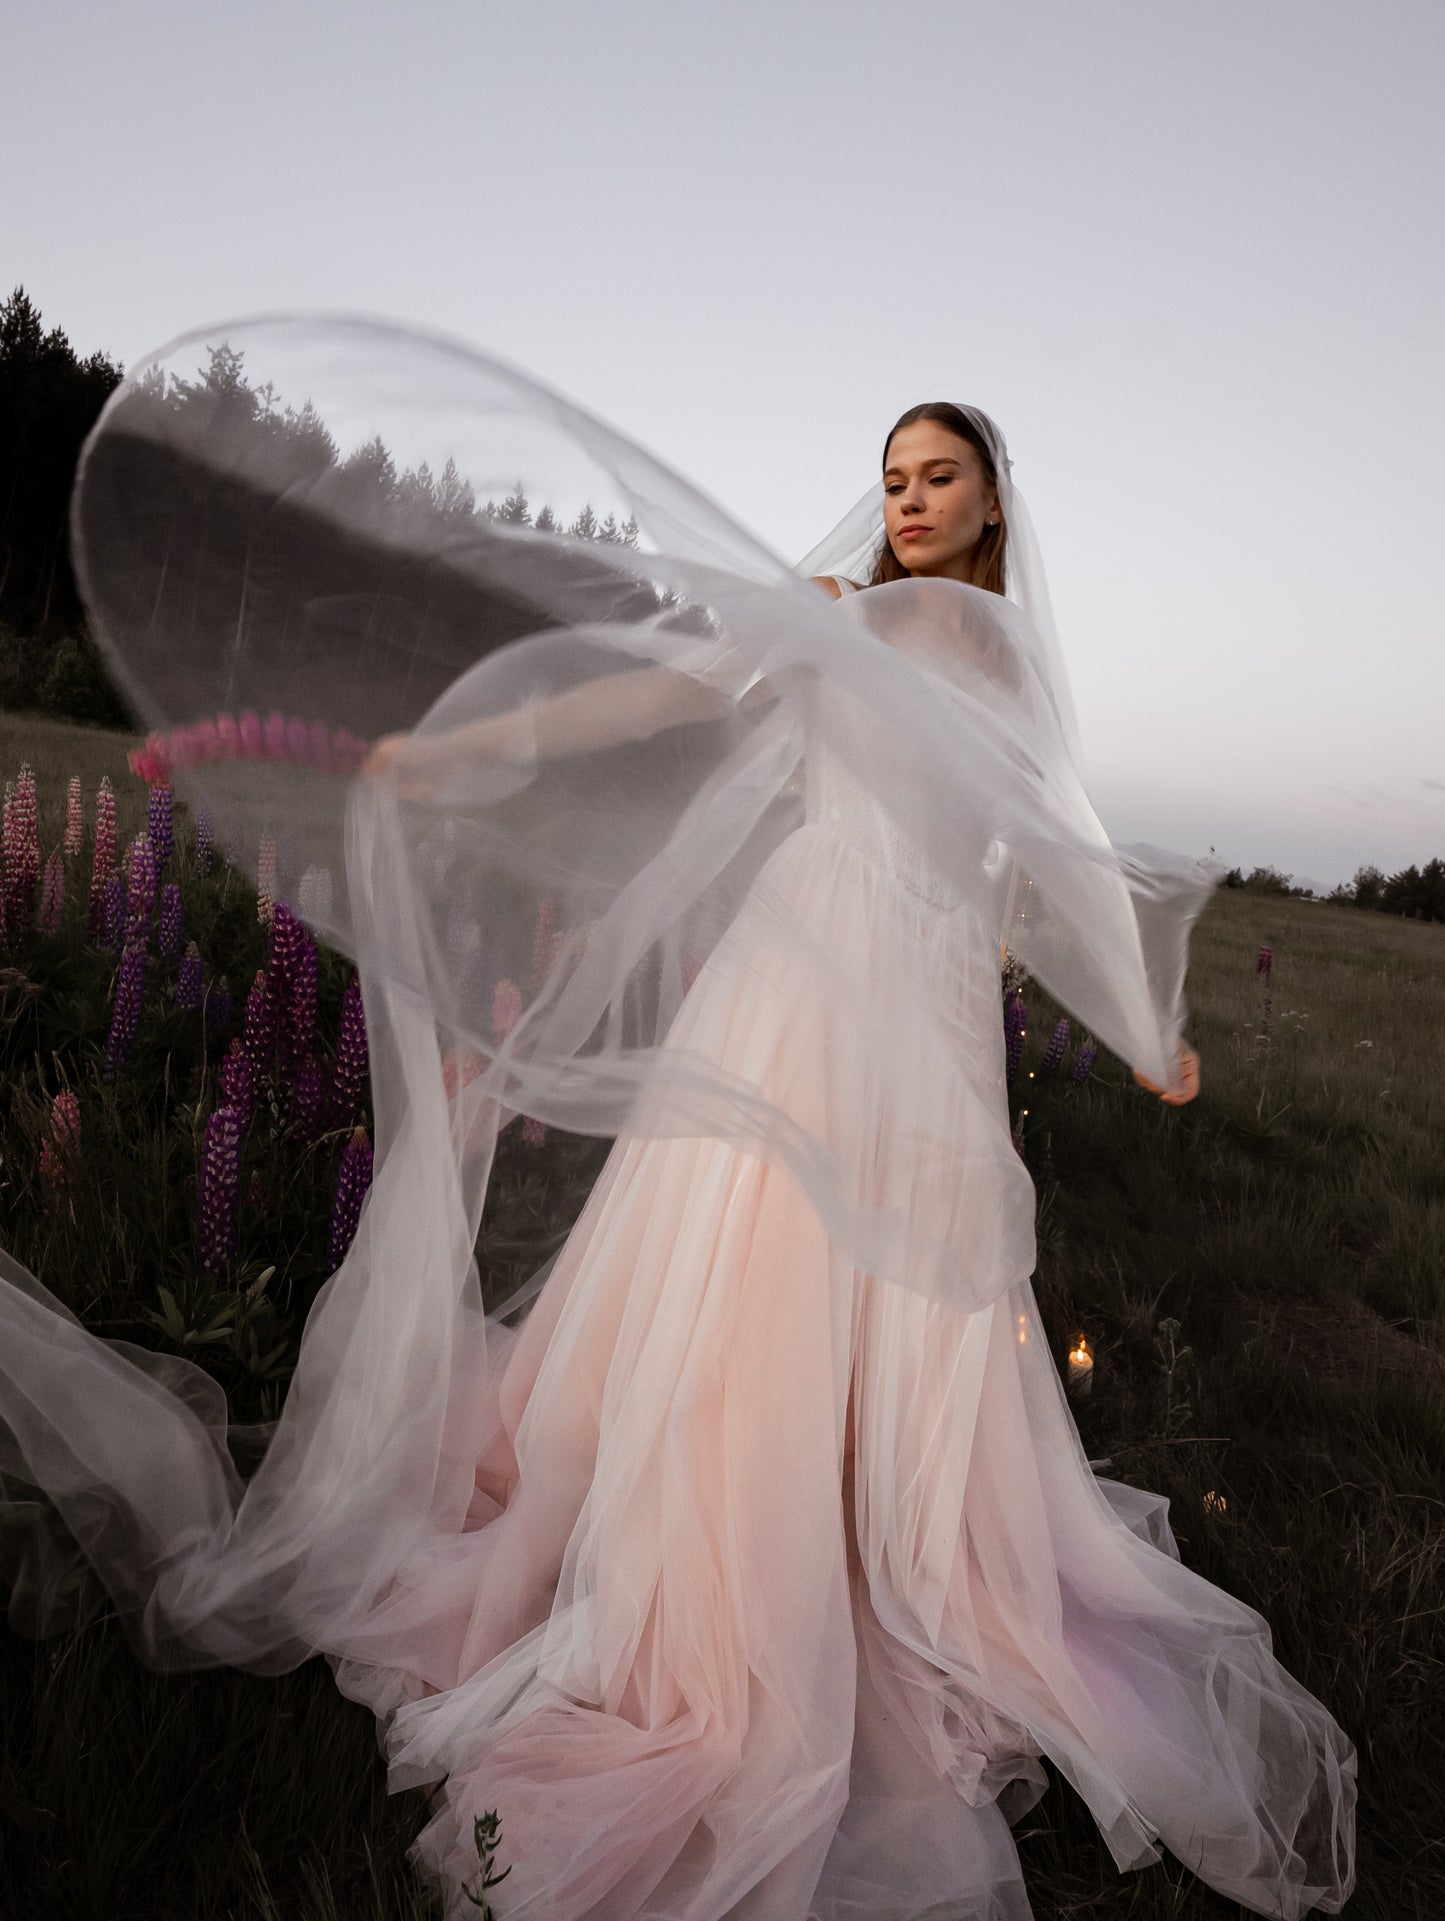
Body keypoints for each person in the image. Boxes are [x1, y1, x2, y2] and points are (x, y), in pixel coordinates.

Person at [0, 321, 1351, 1920]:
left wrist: (1142, 1026)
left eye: (938, 476)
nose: (906, 499)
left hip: (925, 1005)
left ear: (995, 499)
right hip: (809, 967)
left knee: (915, 1284)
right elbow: (645, 694)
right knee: (749, 1256)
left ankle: (884, 1521)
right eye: (891, 476)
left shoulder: (1006, 665)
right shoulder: (837, 616)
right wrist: (467, 744)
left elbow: (1055, 849)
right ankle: (720, 1533)